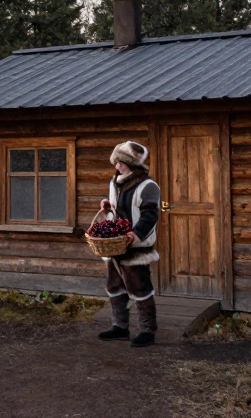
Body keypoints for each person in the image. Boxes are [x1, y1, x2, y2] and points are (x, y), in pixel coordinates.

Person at [97, 140, 160, 347]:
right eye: (116, 162)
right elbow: (117, 209)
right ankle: (120, 327)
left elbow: (150, 215)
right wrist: (107, 206)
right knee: (114, 286)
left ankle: (147, 331)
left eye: (121, 162)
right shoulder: (114, 182)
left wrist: (136, 234)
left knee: (140, 288)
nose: (117, 166)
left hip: (136, 247)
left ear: (132, 164)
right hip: (115, 245)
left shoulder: (148, 186)